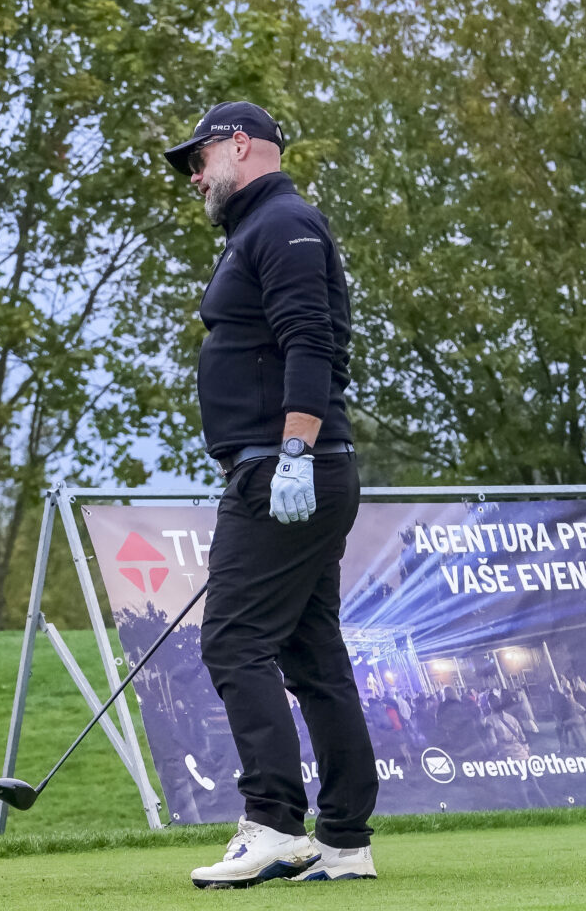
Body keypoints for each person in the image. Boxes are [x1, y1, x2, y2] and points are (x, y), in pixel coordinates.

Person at [166, 103, 380, 888]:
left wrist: (294, 450)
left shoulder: (284, 223)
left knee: (233, 639)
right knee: (310, 650)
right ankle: (345, 840)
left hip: (286, 466)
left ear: (241, 145)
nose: (195, 177)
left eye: (199, 160)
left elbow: (310, 341)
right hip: (290, 465)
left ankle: (275, 823)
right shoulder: (257, 230)